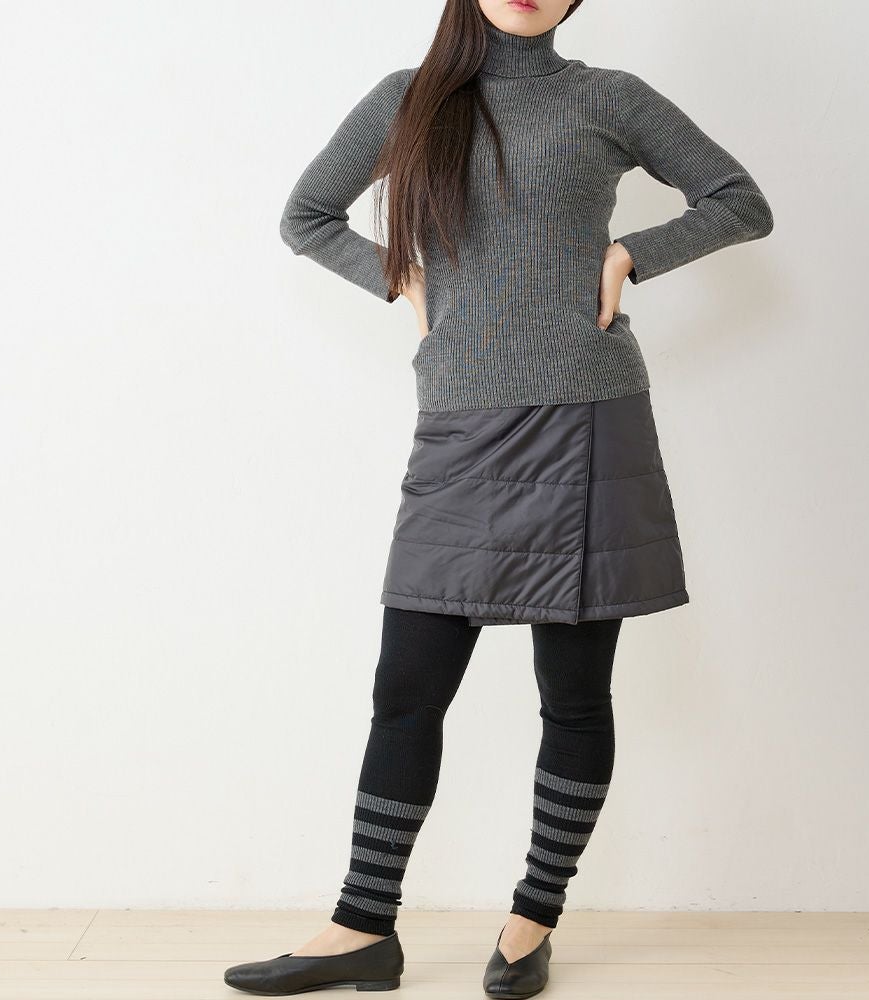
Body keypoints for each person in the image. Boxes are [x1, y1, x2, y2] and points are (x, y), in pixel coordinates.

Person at [225, 0, 773, 996]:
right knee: (406, 691)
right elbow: (306, 217)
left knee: (573, 695)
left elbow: (740, 201)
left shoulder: (609, 98)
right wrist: (400, 277)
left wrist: (630, 254)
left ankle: (532, 919)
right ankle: (362, 925)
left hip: (588, 419)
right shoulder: (409, 101)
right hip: (462, 422)